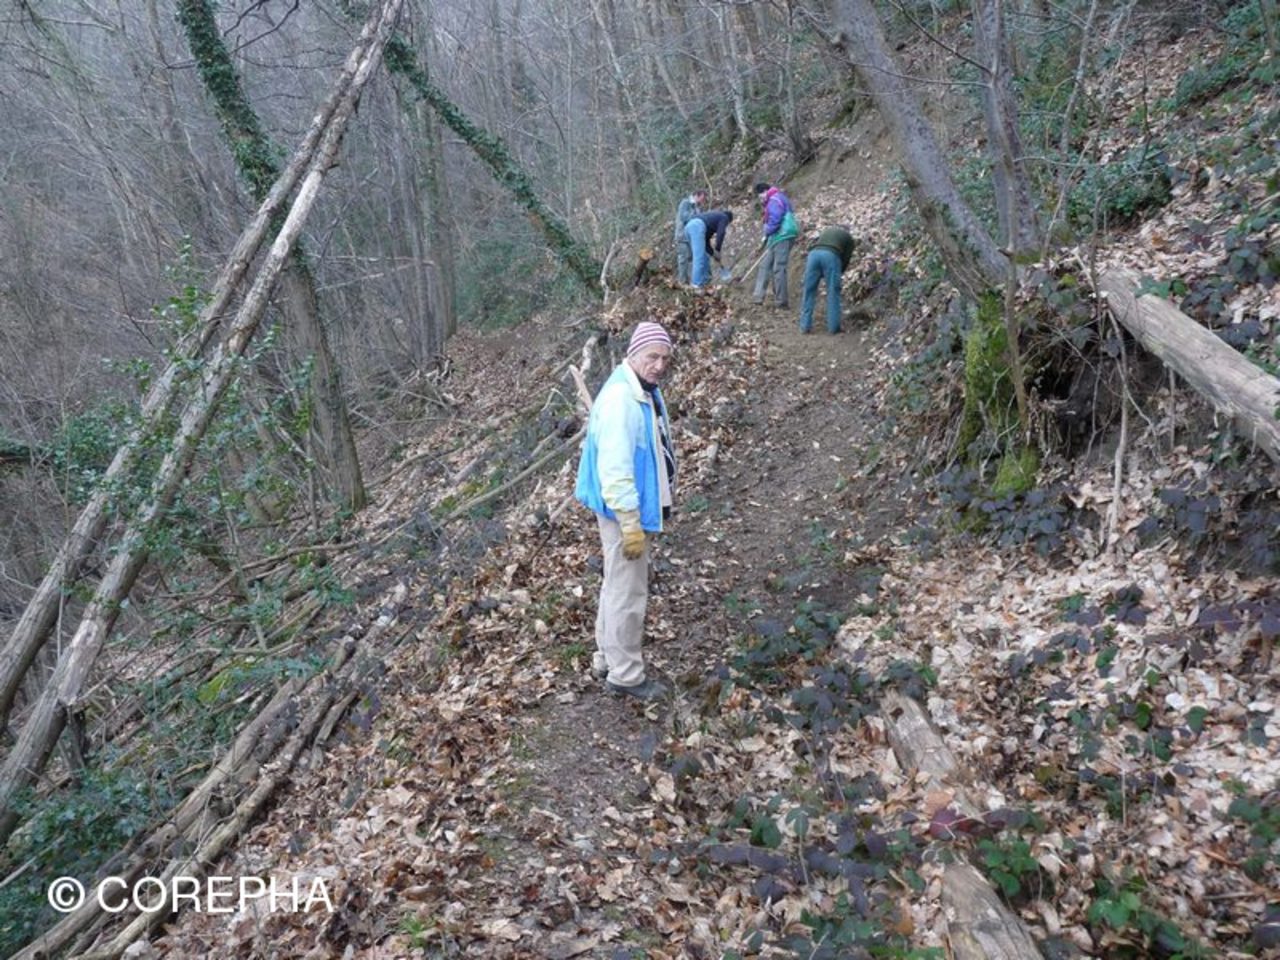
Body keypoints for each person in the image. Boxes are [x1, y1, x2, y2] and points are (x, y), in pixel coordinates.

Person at [574, 321, 677, 701]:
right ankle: (627, 675)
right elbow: (615, 468)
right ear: (633, 355)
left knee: (616, 584)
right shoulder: (622, 400)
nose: (659, 365)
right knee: (628, 593)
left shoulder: (640, 390)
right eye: (652, 357)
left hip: (627, 509)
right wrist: (631, 522)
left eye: (665, 358)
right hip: (623, 513)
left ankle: (607, 657)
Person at [799, 226, 856, 334]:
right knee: (833, 292)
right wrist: (839, 272)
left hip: (813, 255)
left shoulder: (827, 231)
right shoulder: (849, 239)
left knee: (809, 291)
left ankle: (804, 326)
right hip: (831, 255)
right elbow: (846, 259)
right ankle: (833, 328)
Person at [752, 182, 799, 308]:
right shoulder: (777, 199)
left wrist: (767, 229)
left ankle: (781, 301)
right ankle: (758, 296)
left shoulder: (774, 199)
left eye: (760, 196)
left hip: (783, 236)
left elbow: (776, 219)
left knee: (779, 268)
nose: (761, 200)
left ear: (765, 191)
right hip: (777, 237)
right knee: (765, 265)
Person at [685, 209, 734, 288]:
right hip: (697, 226)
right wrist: (718, 250)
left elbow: (706, 244)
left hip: (688, 227)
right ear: (728, 221)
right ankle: (695, 285)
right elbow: (721, 233)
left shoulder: (710, 222)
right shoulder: (724, 217)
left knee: (704, 257)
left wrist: (714, 254)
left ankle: (704, 283)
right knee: (699, 258)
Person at [673, 189, 707, 284]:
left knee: (692, 259)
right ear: (696, 195)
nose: (703, 201)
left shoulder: (697, 207)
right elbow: (684, 217)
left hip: (692, 238)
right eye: (702, 198)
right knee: (683, 259)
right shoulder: (685, 203)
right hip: (682, 236)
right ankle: (682, 282)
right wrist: (696, 215)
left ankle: (692, 282)